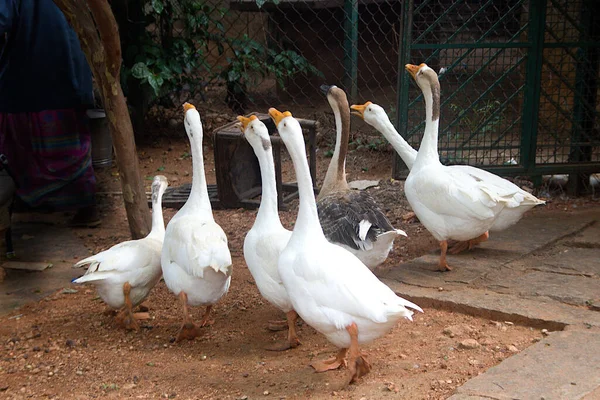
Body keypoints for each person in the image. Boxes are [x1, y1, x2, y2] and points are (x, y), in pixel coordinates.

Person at [0, 0, 100, 227]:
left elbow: (2, 19)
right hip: (71, 68)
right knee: (72, 145)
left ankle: (34, 196)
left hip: (32, 72)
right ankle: (84, 203)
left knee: (20, 139)